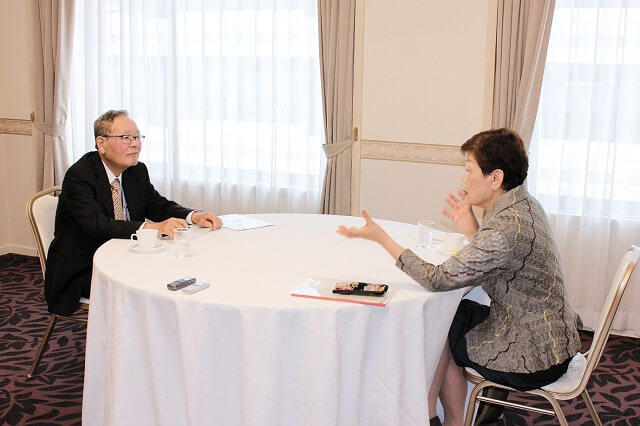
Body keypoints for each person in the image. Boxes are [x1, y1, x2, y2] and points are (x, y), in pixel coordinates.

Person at [337, 128, 581, 426]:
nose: (462, 179)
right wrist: (472, 229)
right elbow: (500, 264)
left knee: (438, 323)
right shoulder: (524, 205)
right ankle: (456, 416)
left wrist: (382, 238)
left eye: (468, 170)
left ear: (496, 178)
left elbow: (437, 279)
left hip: (534, 355)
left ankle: (432, 417)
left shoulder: (505, 229)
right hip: (552, 337)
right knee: (449, 314)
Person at [45, 110, 222, 316]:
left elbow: (157, 205)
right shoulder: (80, 175)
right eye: (125, 138)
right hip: (86, 266)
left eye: (137, 137)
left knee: (177, 269)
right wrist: (152, 228)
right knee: (154, 283)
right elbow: (97, 224)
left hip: (127, 254)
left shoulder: (136, 170)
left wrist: (194, 216)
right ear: (101, 144)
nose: (135, 144)